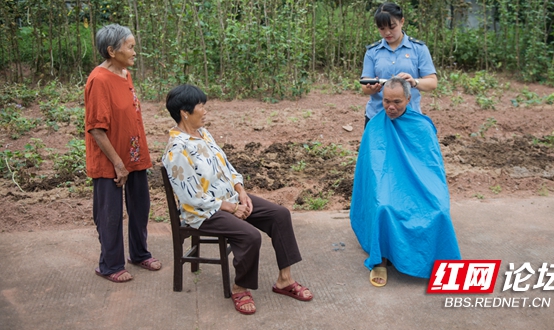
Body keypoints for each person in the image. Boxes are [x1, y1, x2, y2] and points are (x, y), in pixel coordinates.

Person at [162, 84, 313, 315]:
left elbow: (227, 167)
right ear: (184, 112)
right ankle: (239, 287)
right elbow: (191, 197)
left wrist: (241, 190)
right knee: (250, 235)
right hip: (203, 212)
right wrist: (231, 208)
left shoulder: (203, 134)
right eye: (201, 106)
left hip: (229, 198)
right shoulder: (176, 150)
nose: (205, 111)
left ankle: (285, 280)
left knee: (279, 215)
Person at [350, 77, 461, 287]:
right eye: (386, 101)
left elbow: (432, 167)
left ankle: (439, 262)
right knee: (384, 206)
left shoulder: (422, 126)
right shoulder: (374, 126)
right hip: (387, 184)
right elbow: (372, 170)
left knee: (439, 209)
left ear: (408, 99)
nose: (391, 107)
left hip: (420, 184)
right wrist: (384, 188)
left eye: (397, 102)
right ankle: (380, 259)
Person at [85, 24, 161, 283]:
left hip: (134, 154)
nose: (134, 52)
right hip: (111, 159)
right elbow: (96, 129)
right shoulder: (98, 80)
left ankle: (139, 254)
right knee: (110, 214)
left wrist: (129, 159)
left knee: (140, 207)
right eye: (130, 47)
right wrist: (118, 163)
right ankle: (110, 264)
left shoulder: (124, 73)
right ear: (111, 50)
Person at [361, 2, 438, 127]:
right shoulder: (372, 52)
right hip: (377, 116)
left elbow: (432, 83)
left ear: (402, 21)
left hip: (409, 117)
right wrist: (372, 87)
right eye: (382, 29)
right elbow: (364, 85)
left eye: (392, 27)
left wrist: (414, 82)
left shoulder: (419, 49)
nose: (387, 33)